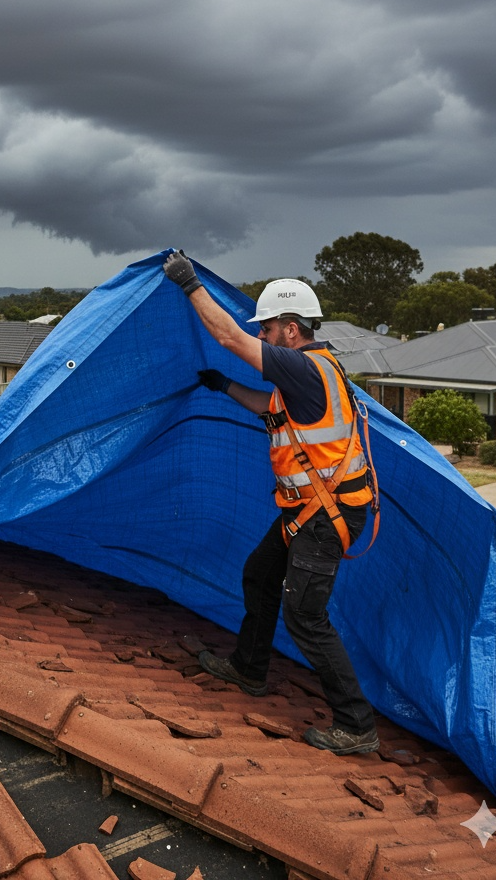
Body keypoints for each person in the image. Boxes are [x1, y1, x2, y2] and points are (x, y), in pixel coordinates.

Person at [162, 251, 379, 755]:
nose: (260, 336)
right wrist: (225, 386)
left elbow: (228, 338)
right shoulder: (308, 377)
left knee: (305, 616)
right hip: (309, 511)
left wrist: (190, 284)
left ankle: (355, 724)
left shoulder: (303, 367)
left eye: (267, 328)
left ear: (290, 329)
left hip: (324, 515)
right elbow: (270, 408)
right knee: (261, 573)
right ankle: (249, 669)